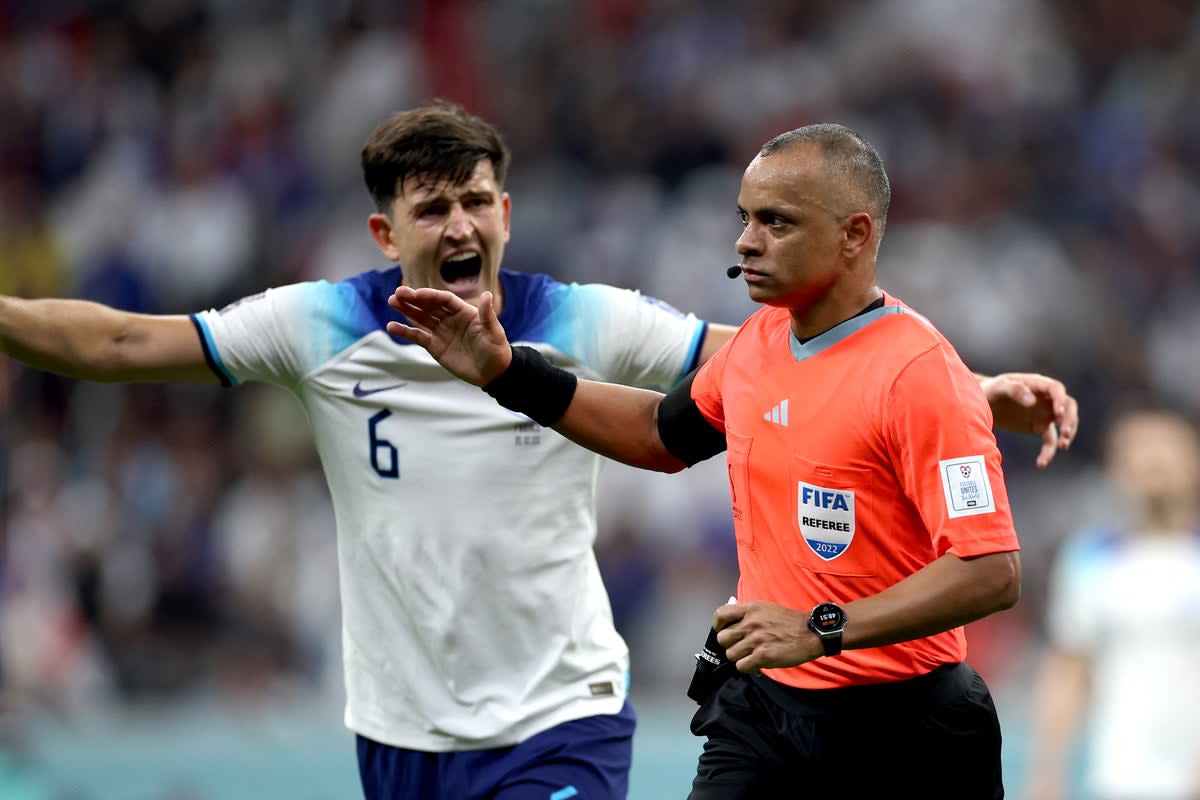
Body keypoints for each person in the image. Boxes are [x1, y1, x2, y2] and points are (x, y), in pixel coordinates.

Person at [0, 103, 1076, 799]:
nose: (460, 225)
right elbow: (116, 341)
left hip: (580, 711)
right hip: (406, 722)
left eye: (477, 201)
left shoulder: (590, 317)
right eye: (433, 208)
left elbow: (851, 382)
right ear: (389, 233)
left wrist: (973, 393)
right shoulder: (317, 324)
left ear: (507, 212)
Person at [387, 121, 1036, 799]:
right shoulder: (760, 343)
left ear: (854, 235)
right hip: (765, 716)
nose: (745, 241)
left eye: (776, 222)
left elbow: (990, 572)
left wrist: (822, 628)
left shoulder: (921, 375)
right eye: (746, 219)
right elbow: (659, 436)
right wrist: (507, 373)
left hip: (906, 730)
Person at [1023, 409, 1200, 800]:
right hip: (1118, 777)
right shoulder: (1088, 559)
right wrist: (1046, 770)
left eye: (1164, 448)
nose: (1151, 460)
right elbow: (1068, 668)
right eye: (1135, 450)